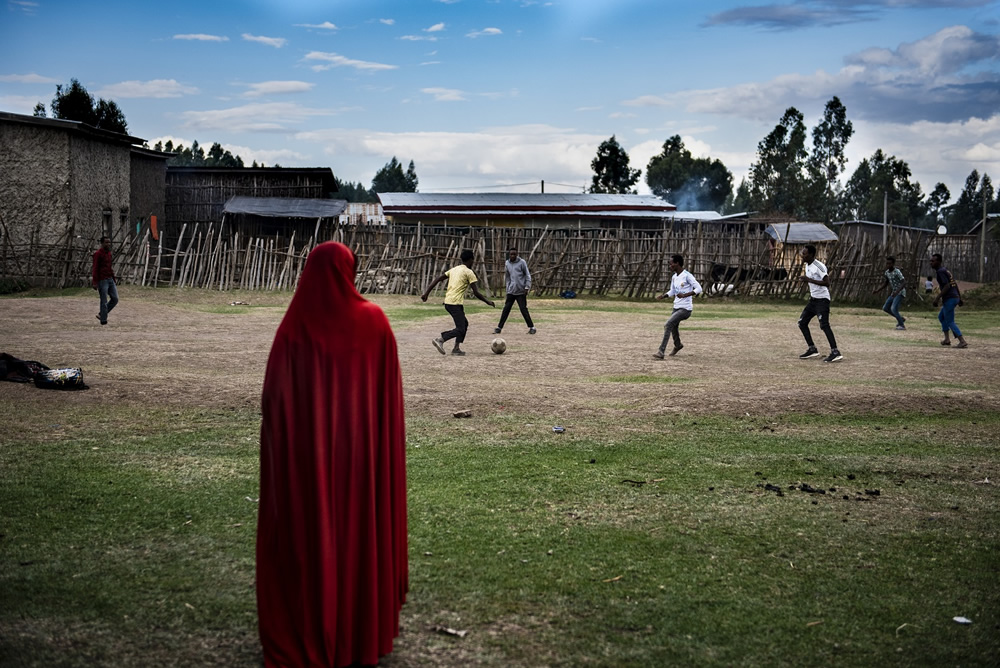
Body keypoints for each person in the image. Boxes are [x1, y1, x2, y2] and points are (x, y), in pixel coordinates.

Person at [257, 242, 408, 667]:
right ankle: (358, 629)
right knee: (358, 535)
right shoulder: (374, 321)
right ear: (350, 270)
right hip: (362, 463)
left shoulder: (293, 327)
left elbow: (274, 403)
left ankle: (310, 624)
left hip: (309, 465)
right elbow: (387, 403)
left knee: (311, 537)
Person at [421, 249, 495, 356]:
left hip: (449, 303)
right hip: (454, 304)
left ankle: (456, 348)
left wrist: (426, 293)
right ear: (471, 260)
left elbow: (438, 279)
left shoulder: (454, 269)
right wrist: (487, 301)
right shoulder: (469, 272)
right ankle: (441, 339)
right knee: (460, 329)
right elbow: (476, 293)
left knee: (464, 324)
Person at [797, 244, 842, 362]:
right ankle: (812, 349)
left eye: (805, 253)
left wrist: (809, 280)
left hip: (822, 300)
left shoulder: (819, 266)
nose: (803, 255)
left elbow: (827, 283)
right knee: (802, 323)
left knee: (824, 325)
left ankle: (835, 352)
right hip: (813, 300)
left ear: (811, 255)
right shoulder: (807, 265)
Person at [653, 254, 702, 358]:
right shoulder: (674, 277)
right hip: (676, 307)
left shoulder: (687, 275)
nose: (669, 266)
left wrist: (685, 295)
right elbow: (673, 291)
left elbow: (699, 289)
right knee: (674, 327)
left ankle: (661, 351)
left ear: (677, 263)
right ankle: (678, 345)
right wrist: (664, 296)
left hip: (685, 309)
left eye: (671, 264)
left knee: (668, 324)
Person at [494, 247, 536, 335]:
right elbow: (508, 277)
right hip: (511, 291)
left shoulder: (522, 262)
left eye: (514, 254)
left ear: (517, 254)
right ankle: (499, 327)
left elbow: (527, 275)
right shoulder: (507, 263)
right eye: (511, 254)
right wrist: (508, 288)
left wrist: (527, 287)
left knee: (523, 309)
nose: (512, 256)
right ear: (509, 255)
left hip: (521, 291)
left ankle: (532, 327)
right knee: (506, 309)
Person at [930, 253, 969, 348]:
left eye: (933, 261)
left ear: (938, 262)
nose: (931, 263)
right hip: (954, 297)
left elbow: (947, 286)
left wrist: (937, 298)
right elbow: (954, 283)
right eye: (930, 261)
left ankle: (962, 341)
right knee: (942, 317)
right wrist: (959, 297)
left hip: (950, 298)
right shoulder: (945, 270)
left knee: (950, 320)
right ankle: (947, 339)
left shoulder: (940, 272)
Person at [872, 256, 907, 330]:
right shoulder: (887, 272)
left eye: (890, 264)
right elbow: (886, 283)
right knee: (885, 308)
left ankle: (901, 325)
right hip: (893, 293)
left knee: (894, 308)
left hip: (900, 292)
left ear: (893, 264)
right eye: (887, 264)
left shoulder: (897, 271)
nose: (888, 265)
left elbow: (904, 282)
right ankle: (900, 319)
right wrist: (877, 290)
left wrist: (898, 291)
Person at [91, 235, 118, 325]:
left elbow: (110, 267)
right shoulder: (98, 254)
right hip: (102, 280)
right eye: (106, 242)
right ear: (102, 243)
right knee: (104, 300)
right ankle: (103, 320)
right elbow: (95, 268)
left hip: (110, 278)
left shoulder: (109, 254)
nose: (108, 244)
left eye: (109, 242)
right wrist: (95, 282)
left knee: (115, 298)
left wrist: (113, 278)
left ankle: (101, 314)